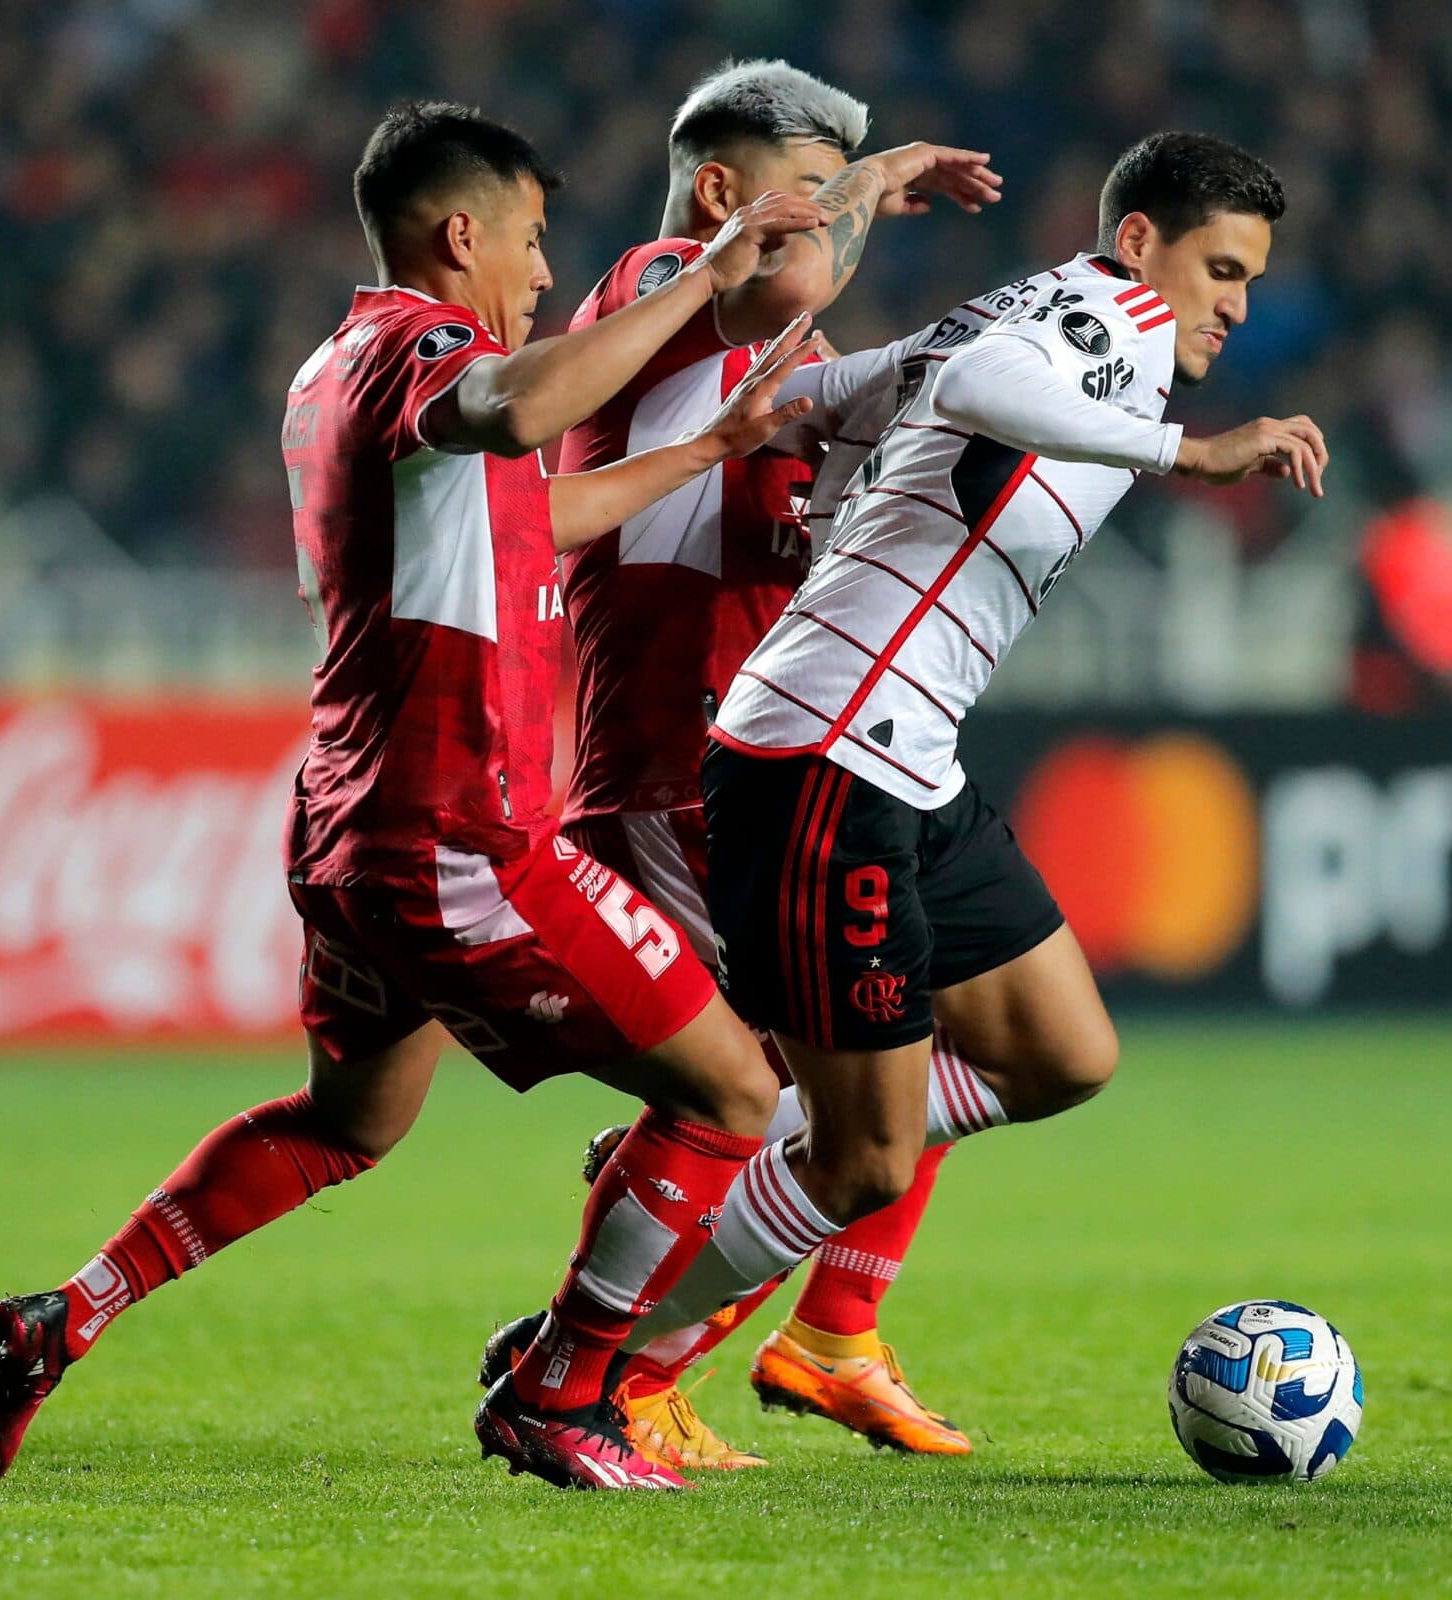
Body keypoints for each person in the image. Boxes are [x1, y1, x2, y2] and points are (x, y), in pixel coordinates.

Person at [0, 100, 827, 1495]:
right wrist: (711, 272)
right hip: (455, 830)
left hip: (348, 826)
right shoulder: (430, 346)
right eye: (531, 245)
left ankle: (73, 1312)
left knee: (345, 1124)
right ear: (459, 232)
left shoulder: (325, 367)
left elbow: (539, 506)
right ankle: (562, 1394)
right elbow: (526, 402)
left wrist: (712, 452)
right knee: (730, 1087)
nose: (542, 275)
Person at [605, 131, 1329, 1362]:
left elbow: (880, 377)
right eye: (1221, 270)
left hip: (899, 751)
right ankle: (596, 1351)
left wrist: (801, 421)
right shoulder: (1111, 320)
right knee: (868, 1156)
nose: (1236, 306)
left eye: (1249, 279)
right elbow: (980, 384)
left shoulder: (1045, 308)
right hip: (831, 748)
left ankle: (770, 1145)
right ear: (1143, 242)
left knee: (1062, 1052)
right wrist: (1189, 452)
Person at [496, 59, 1002, 1470]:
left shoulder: (772, 368)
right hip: (676, 755)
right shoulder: (665, 278)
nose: (850, 233)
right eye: (820, 194)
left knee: (931, 1023)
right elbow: (776, 275)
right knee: (816, 1090)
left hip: (761, 751)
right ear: (724, 193)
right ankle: (627, 1365)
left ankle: (829, 1334)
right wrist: (877, 172)